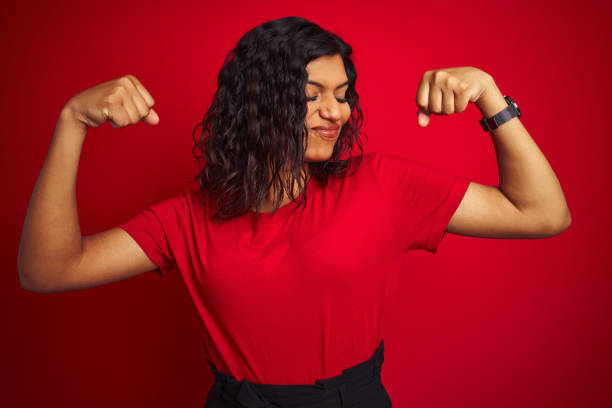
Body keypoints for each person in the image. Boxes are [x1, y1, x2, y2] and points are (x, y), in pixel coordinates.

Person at [18, 16, 571, 408]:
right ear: (259, 101)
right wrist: (73, 120)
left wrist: (490, 97)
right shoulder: (187, 220)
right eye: (310, 95)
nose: (335, 111)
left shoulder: (380, 185)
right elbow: (47, 270)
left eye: (343, 92)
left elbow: (542, 214)